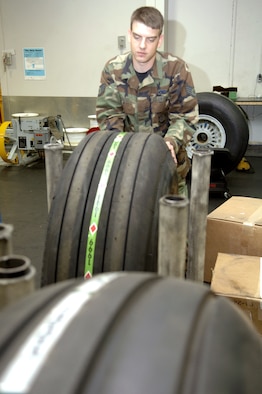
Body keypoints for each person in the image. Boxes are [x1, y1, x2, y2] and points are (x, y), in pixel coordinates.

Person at [96, 6, 199, 195]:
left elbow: (185, 118)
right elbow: (109, 115)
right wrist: (118, 148)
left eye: (150, 39)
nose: (142, 46)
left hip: (169, 172)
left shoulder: (176, 70)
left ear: (159, 40)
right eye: (137, 37)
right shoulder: (113, 69)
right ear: (129, 34)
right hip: (126, 170)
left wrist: (169, 143)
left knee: (173, 224)